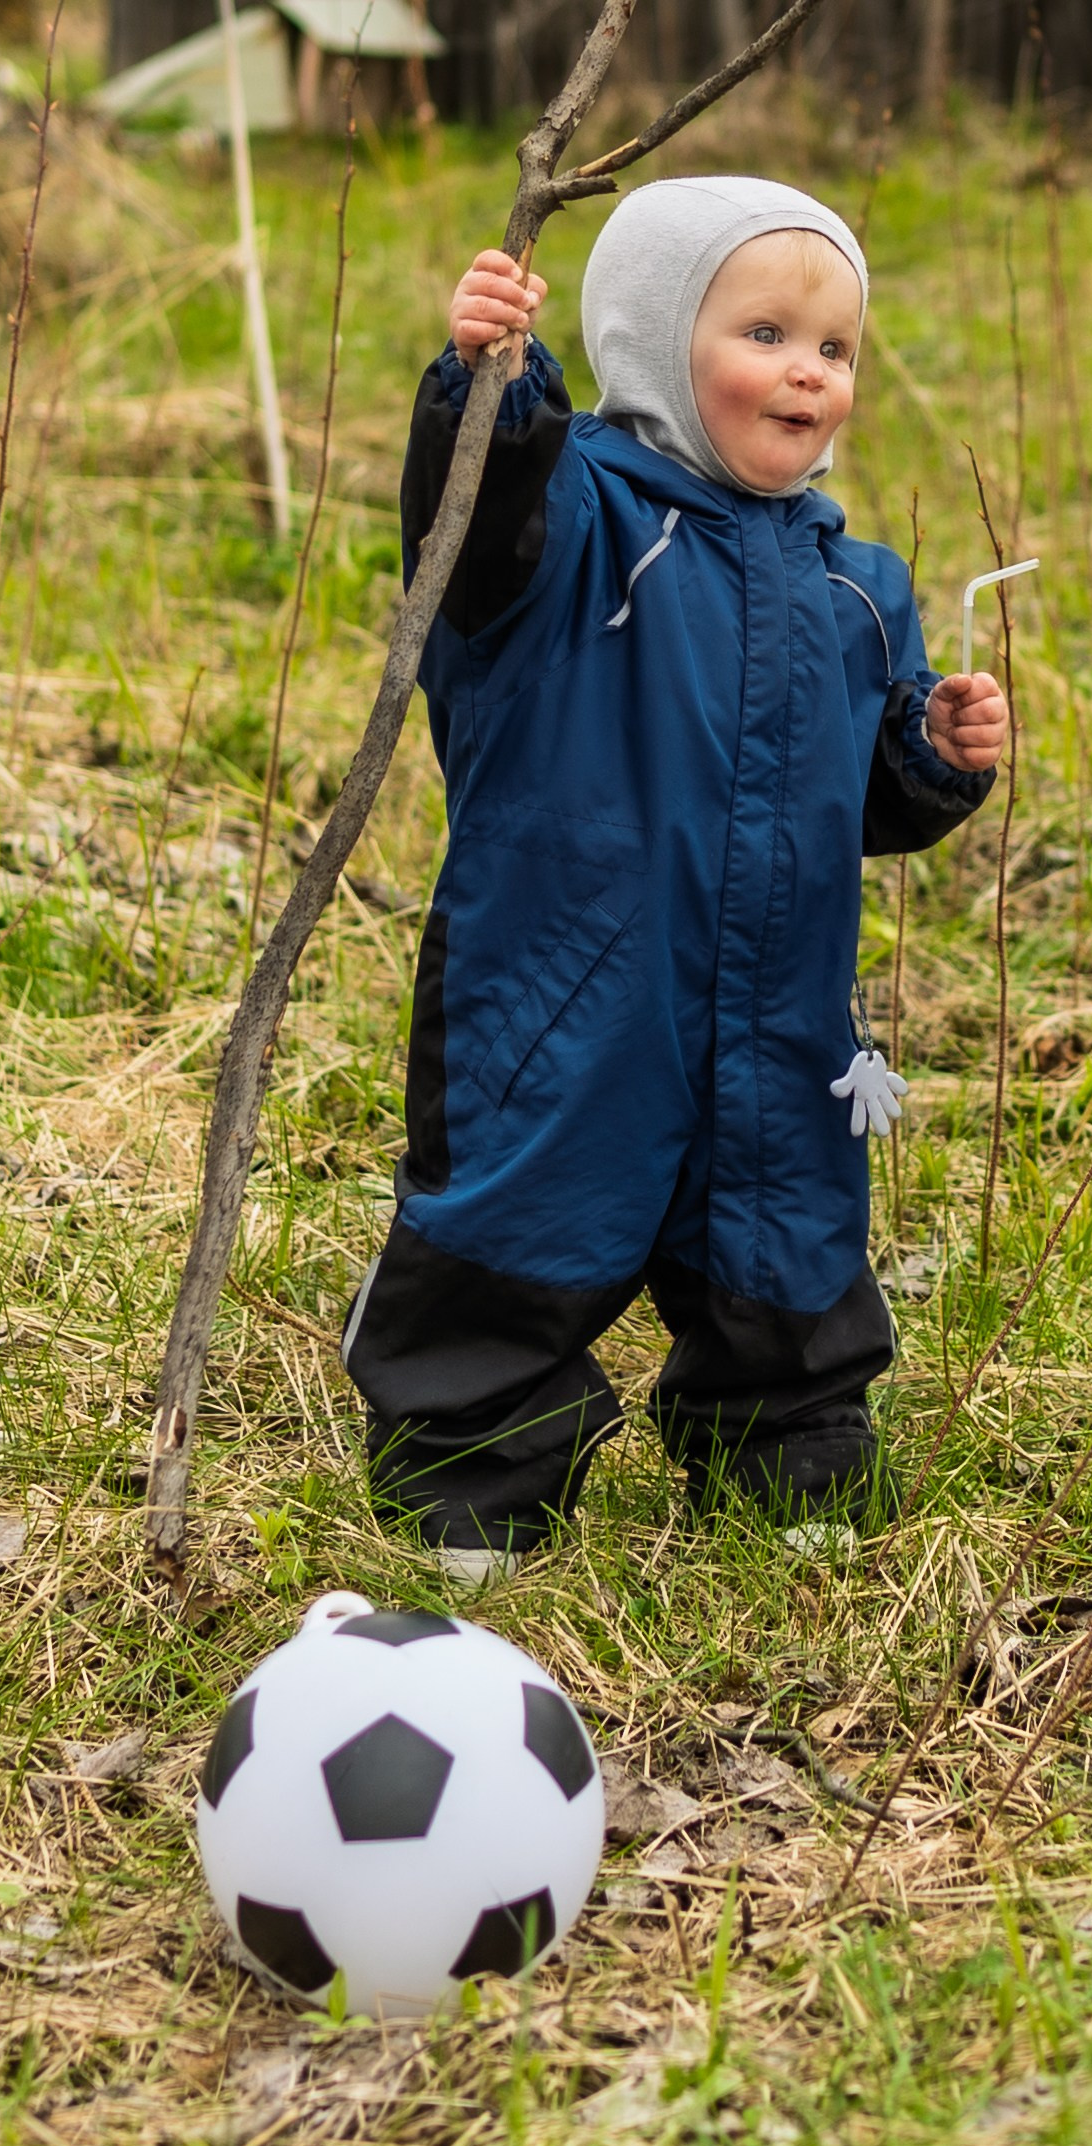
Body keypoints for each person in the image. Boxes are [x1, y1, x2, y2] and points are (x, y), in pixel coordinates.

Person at [341, 177, 1008, 1578]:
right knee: (520, 1219)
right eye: (766, 330)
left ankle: (788, 1469)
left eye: (834, 349)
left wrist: (932, 759)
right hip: (567, 983)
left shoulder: (857, 587)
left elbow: (854, 800)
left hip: (780, 1008)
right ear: (650, 341)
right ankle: (474, 1483)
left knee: (788, 1237)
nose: (808, 372)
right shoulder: (575, 524)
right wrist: (487, 387)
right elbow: (482, 517)